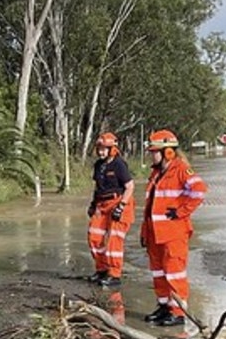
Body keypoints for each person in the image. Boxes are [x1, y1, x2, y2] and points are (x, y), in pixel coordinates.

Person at [139, 130, 207, 328]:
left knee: (174, 273)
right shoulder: (156, 173)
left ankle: (177, 312)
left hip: (173, 233)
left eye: (155, 151)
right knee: (159, 273)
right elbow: (150, 206)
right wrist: (144, 232)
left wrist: (180, 211)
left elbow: (199, 191)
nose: (152, 155)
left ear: (168, 152)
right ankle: (164, 307)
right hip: (155, 233)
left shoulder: (181, 170)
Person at [85, 132, 134, 288]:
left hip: (118, 202)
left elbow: (130, 187)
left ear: (112, 149)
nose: (101, 152)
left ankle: (114, 274)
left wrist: (121, 206)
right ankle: (102, 269)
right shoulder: (99, 165)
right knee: (94, 236)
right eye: (99, 148)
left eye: (104, 149)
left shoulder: (119, 164)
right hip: (101, 203)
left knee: (114, 241)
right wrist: (93, 204)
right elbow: (97, 186)